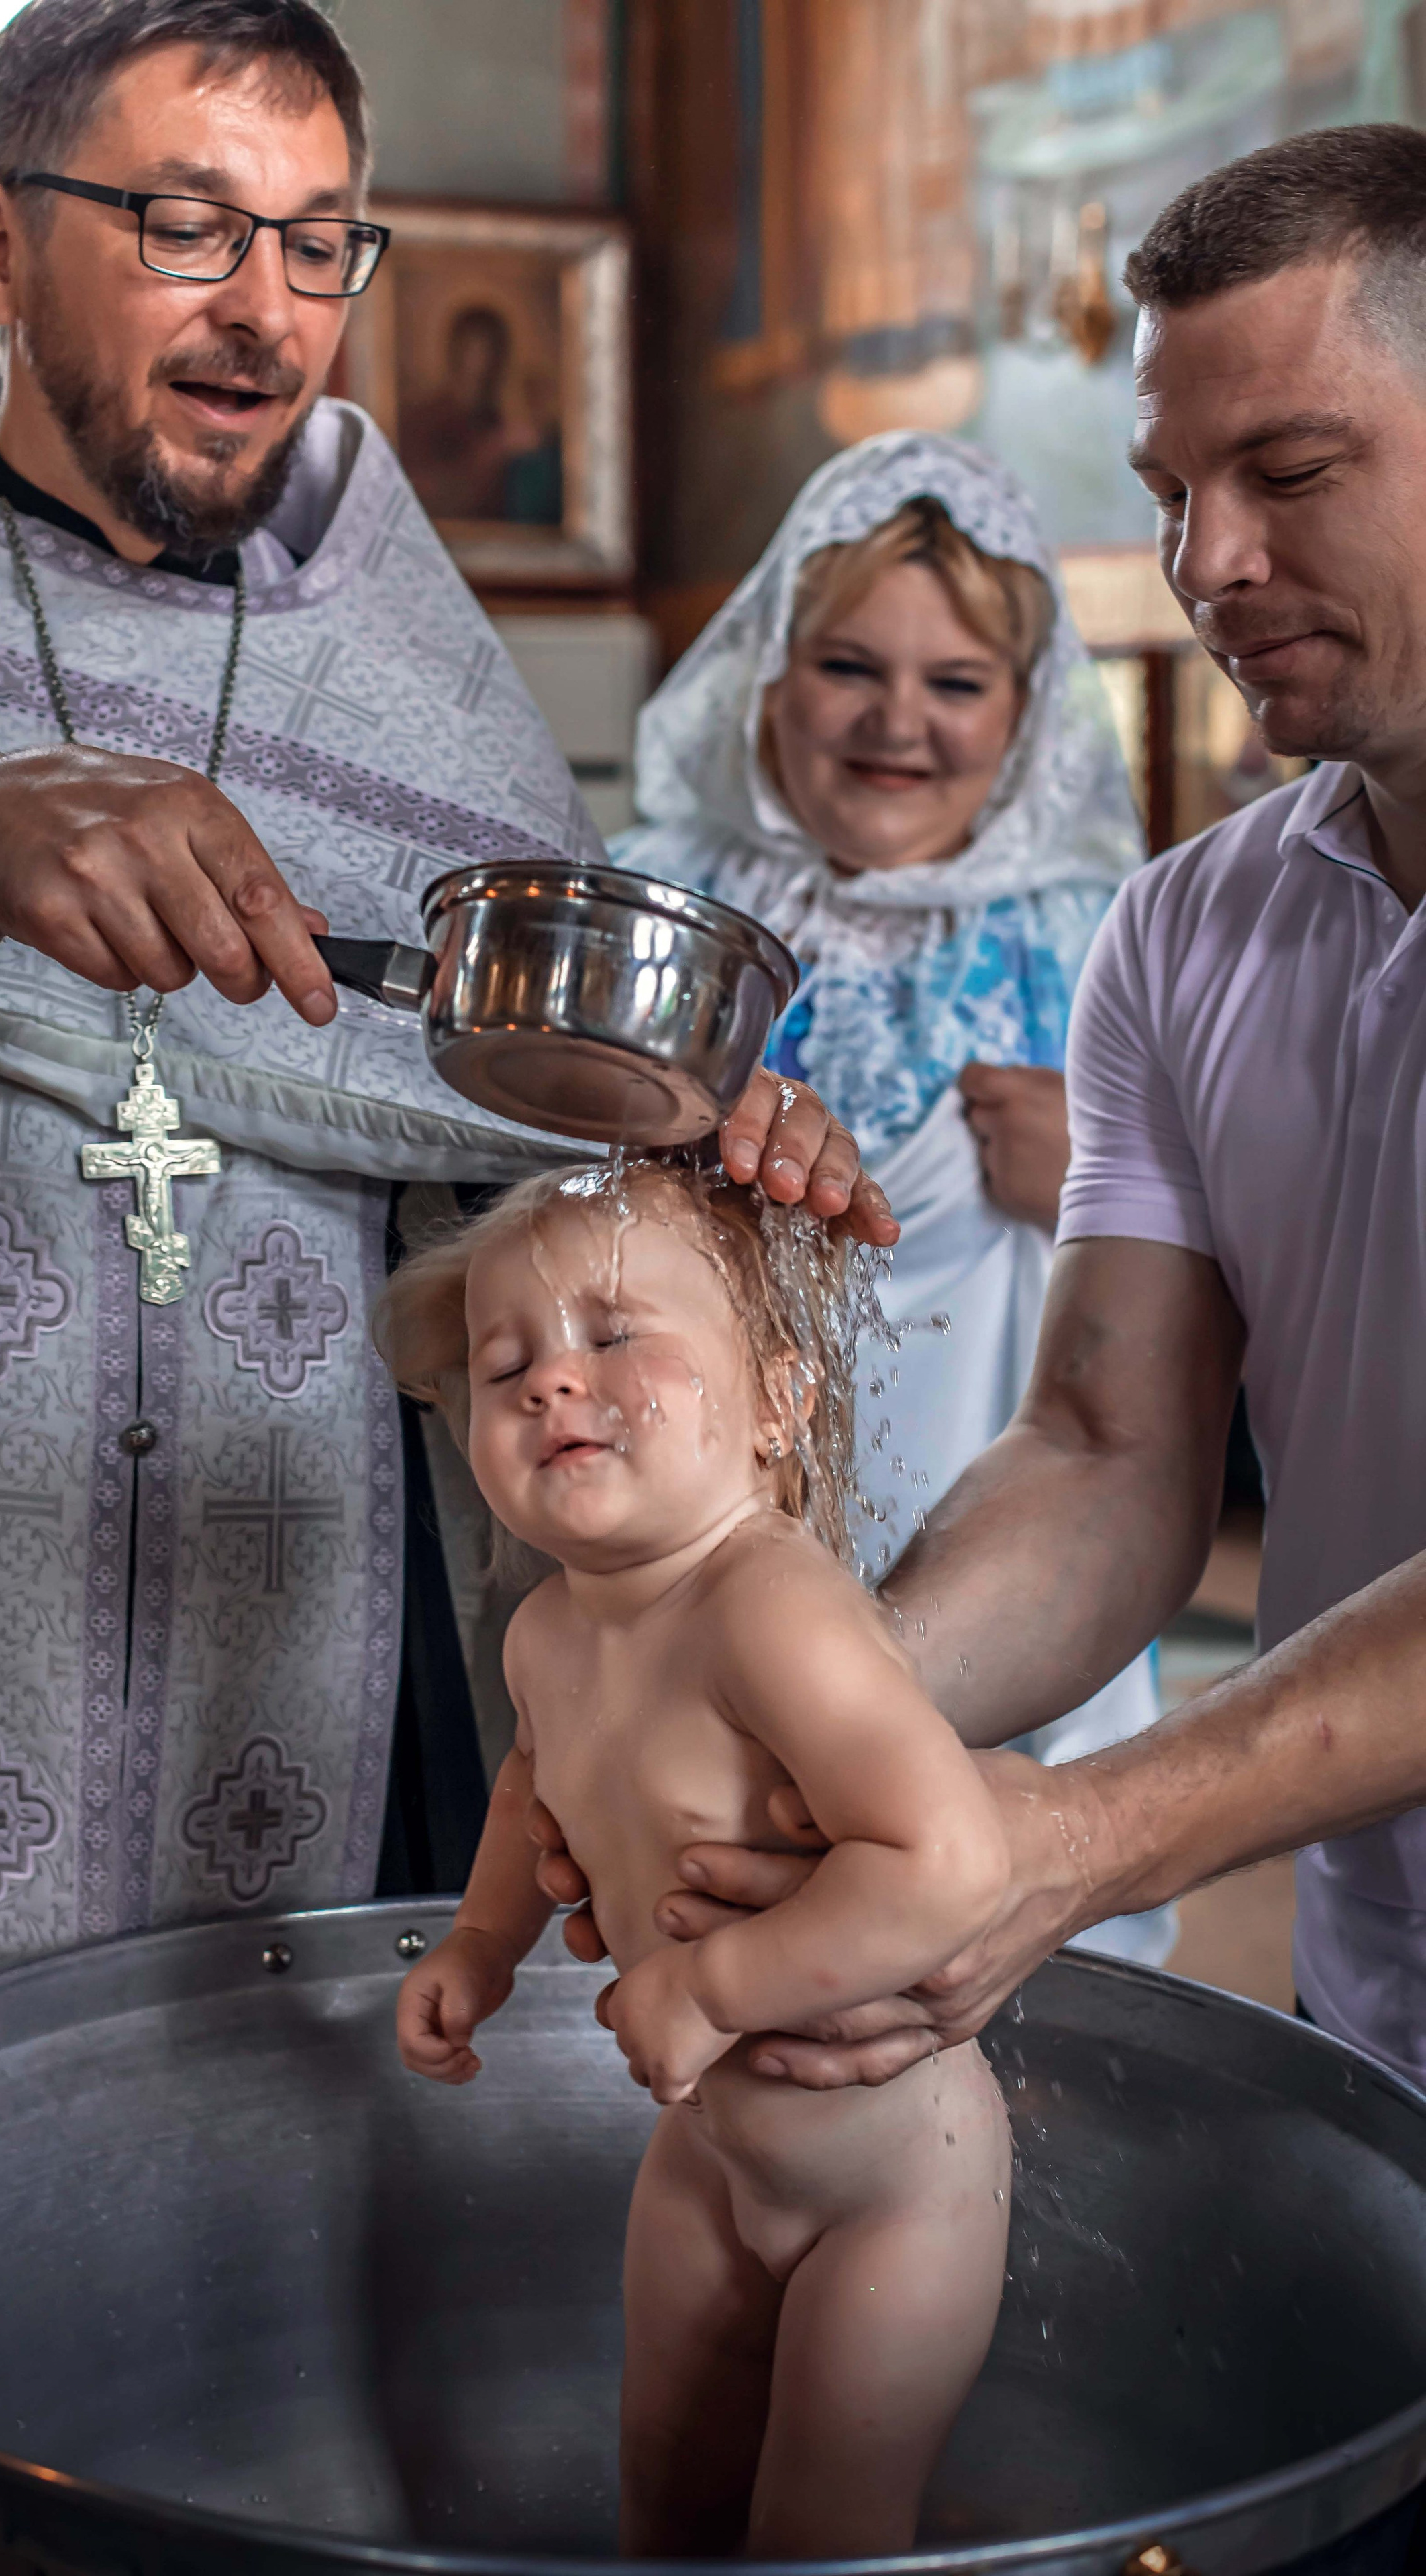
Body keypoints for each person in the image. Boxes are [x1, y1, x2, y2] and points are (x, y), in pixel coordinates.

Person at [0, 3, 874, 2557]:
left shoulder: (424, 694)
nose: (266, 308)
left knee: (299, 2312)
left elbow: (526, 1165)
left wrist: (705, 1173)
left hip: (333, 1663)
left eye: (322, 244)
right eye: (187, 228)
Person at [540, 123, 1426, 2102]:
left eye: (1288, 473)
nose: (1203, 566)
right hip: (1377, 1986)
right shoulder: (1187, 930)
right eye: (1170, 493)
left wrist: (1084, 1829)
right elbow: (1110, 1445)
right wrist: (801, 1717)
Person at [384, 1160, 1009, 2558]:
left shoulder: (767, 1607)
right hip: (709, 2156)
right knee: (664, 2496)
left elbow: (950, 1859)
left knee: (819, 2533)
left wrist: (717, 1985)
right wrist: (482, 1943)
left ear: (777, 1402)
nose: (552, 1381)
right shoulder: (549, 1630)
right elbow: (528, 1787)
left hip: (893, 2193)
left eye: (613, 1335)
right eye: (505, 1368)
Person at [617, 431, 1171, 1964]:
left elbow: (1269, 1285)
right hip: (711, 1505)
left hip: (1003, 1505)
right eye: (848, 667)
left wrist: (1108, 1176)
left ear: (1027, 709)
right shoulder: (663, 905)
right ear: (770, 677)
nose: (896, 723)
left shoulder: (1112, 939)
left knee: (969, 1919)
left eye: (956, 684)